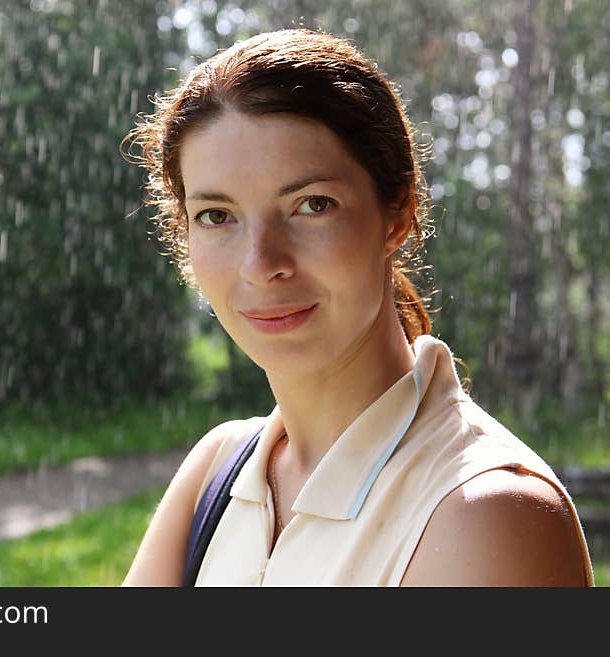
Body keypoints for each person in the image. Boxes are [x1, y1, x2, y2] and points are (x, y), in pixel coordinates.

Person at [119, 28, 594, 586]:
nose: (260, 263)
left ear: (397, 213)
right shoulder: (217, 474)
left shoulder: (487, 516)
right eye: (217, 215)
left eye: (311, 205)